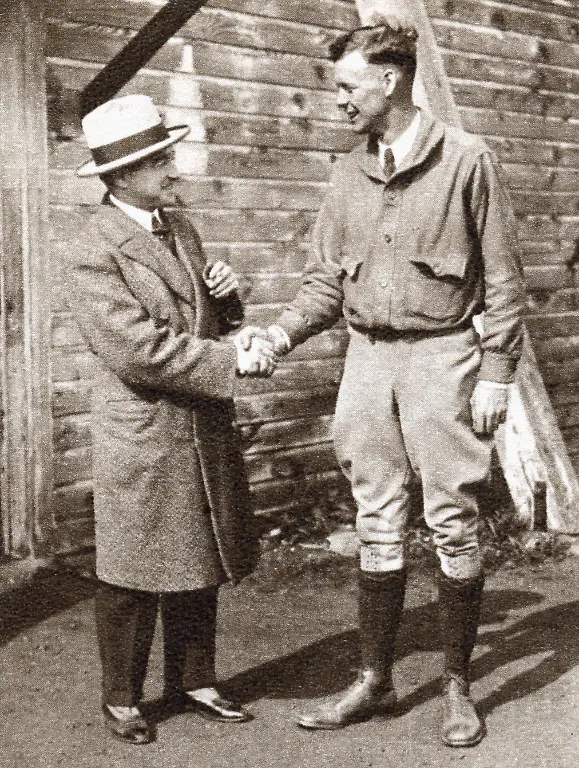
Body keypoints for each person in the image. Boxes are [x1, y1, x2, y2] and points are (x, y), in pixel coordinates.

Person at [239, 16, 526, 748]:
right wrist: (279, 333)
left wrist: (496, 372)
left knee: (452, 519)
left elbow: (503, 282)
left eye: (345, 85)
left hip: (443, 358)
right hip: (367, 360)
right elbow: (322, 284)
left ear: (389, 79)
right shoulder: (346, 172)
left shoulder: (466, 160)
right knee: (374, 517)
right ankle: (375, 679)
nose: (338, 100)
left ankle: (458, 687)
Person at [61, 94, 276, 744]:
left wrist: (230, 304)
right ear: (121, 173)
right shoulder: (90, 249)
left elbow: (204, 322)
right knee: (132, 568)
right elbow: (139, 351)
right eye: (159, 161)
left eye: (167, 155)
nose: (172, 169)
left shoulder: (178, 226)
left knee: (196, 553)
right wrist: (231, 358)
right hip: (145, 429)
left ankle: (194, 678)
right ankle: (121, 697)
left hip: (198, 422)